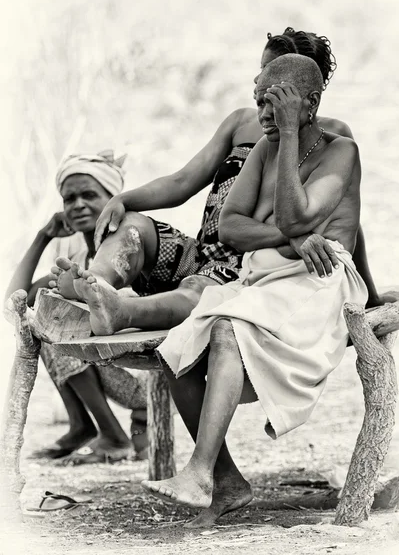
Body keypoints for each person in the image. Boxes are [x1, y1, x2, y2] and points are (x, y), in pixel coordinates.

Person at [129, 53, 368, 525]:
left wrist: (292, 139)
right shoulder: (264, 149)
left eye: (276, 102)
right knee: (181, 345)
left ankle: (199, 472)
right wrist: (294, 237)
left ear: (311, 103)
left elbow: (296, 213)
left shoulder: (341, 152)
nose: (264, 113)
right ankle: (228, 482)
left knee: (226, 328)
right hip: (263, 275)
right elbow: (231, 227)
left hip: (319, 281)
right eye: (259, 101)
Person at [49, 29, 394, 338]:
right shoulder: (241, 122)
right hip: (202, 252)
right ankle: (93, 284)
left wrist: (370, 295)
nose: (261, 81)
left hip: (248, 268)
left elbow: (348, 223)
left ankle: (119, 311)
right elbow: (183, 181)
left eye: (273, 75)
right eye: (261, 72)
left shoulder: (330, 139)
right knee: (135, 226)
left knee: (200, 290)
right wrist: (125, 199)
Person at [5, 150, 149, 464]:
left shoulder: (126, 251)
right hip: (115, 371)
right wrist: (43, 236)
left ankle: (111, 435)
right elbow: (14, 301)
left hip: (146, 376)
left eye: (89, 195)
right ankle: (82, 425)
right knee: (34, 320)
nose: (78, 204)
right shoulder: (78, 264)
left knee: (52, 324)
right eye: (69, 199)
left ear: (113, 200)